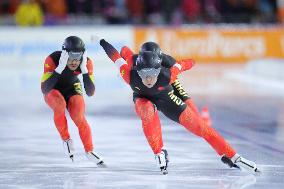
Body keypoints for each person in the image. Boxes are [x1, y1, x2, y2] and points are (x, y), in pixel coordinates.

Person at [99, 38, 259, 174]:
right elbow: (117, 56)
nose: (148, 79)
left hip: (165, 97)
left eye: (153, 74)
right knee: (147, 112)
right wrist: (102, 42)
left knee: (201, 128)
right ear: (137, 71)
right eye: (144, 74)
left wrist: (193, 62)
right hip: (142, 98)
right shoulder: (128, 73)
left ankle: (231, 155)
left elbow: (183, 65)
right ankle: (158, 152)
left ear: (159, 68)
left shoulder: (167, 75)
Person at [41, 36, 104, 166]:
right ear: (64, 53)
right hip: (52, 89)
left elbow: (90, 92)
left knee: (78, 115)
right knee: (60, 105)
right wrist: (59, 68)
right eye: (72, 55)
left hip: (72, 87)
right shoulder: (52, 59)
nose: (75, 61)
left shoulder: (85, 62)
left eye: (78, 56)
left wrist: (85, 71)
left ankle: (90, 150)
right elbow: (44, 88)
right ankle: (66, 140)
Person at [120, 41, 212, 126]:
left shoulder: (168, 61)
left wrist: (190, 63)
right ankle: (199, 120)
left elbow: (180, 67)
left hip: (165, 82)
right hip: (150, 85)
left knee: (181, 93)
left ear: (159, 58)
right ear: (141, 58)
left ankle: (199, 120)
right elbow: (124, 51)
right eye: (146, 62)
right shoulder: (135, 60)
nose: (149, 63)